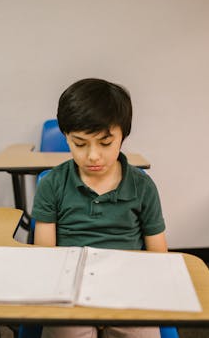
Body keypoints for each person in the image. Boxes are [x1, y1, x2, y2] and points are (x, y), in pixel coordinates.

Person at [32, 78, 167, 338]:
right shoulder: (52, 184)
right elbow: (45, 257)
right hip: (70, 289)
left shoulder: (142, 187)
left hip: (129, 289)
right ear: (66, 137)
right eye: (80, 144)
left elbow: (158, 257)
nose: (93, 155)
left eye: (105, 143)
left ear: (122, 136)